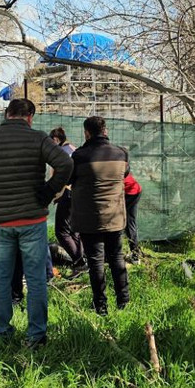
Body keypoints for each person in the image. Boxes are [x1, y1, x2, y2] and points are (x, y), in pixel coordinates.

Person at [0, 98, 73, 347]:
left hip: (0, 223)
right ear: (30, 117)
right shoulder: (38, 139)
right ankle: (37, 335)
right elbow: (66, 163)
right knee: (36, 280)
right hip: (32, 220)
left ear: (7, 114)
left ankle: (2, 332)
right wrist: (48, 191)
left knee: (0, 279)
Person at [70, 116, 130, 315]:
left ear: (86, 133)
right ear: (105, 130)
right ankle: (124, 302)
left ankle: (101, 306)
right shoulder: (121, 153)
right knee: (117, 258)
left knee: (95, 261)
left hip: (90, 219)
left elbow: (69, 179)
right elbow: (125, 174)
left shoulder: (79, 156)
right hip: (116, 216)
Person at [49, 127, 87, 278]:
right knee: (74, 230)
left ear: (56, 140)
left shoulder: (62, 152)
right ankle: (82, 261)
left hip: (68, 193)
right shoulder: (73, 148)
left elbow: (61, 177)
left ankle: (79, 263)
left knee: (61, 231)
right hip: (78, 193)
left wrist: (56, 194)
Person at [124, 171, 143, 263]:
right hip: (134, 190)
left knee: (128, 223)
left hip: (130, 193)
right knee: (130, 222)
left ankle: (135, 254)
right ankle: (135, 253)